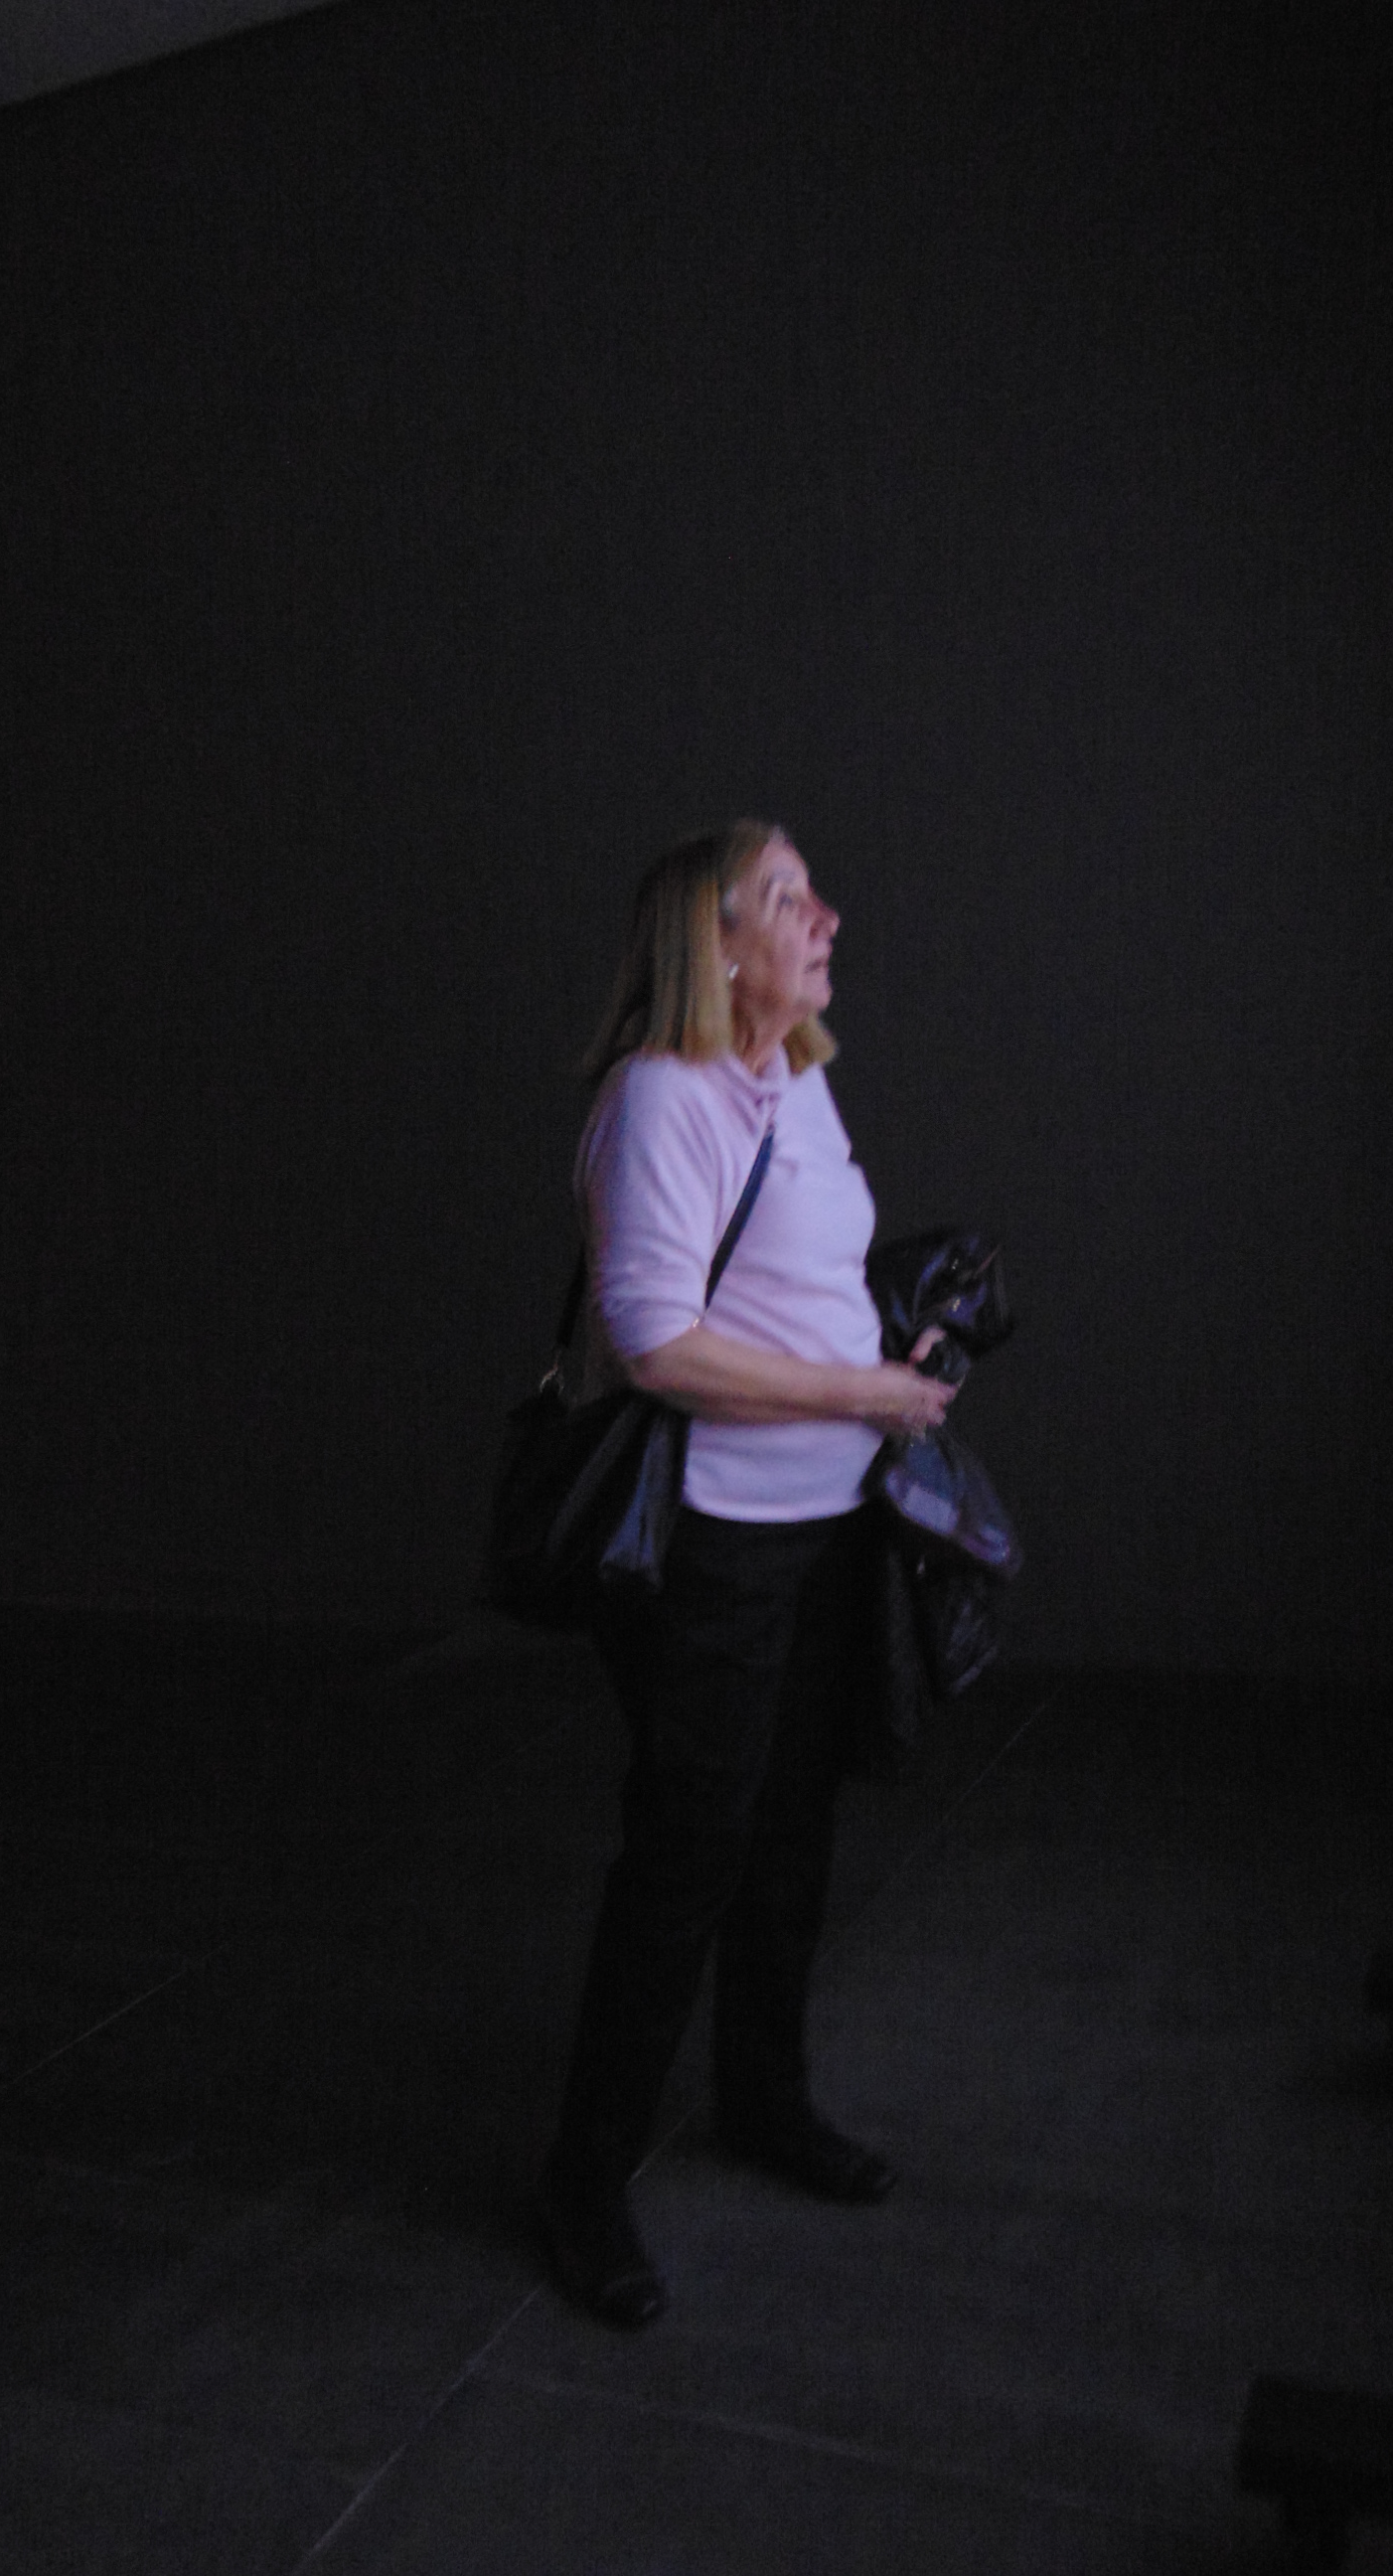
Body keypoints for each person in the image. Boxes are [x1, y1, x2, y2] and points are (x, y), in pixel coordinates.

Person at [539, 819, 957, 2328]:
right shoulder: (663, 1097)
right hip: (719, 1548)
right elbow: (658, 1343)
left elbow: (800, 1283)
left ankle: (763, 2101)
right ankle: (584, 2184)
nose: (826, 914)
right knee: (686, 1857)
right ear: (714, 944)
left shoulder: (796, 1080)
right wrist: (860, 1392)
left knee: (791, 1836)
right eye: (788, 897)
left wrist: (893, 1342)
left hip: (828, 1524)